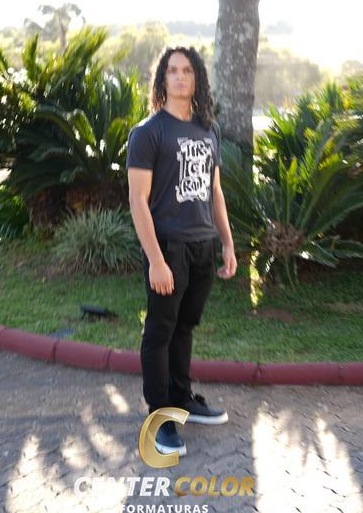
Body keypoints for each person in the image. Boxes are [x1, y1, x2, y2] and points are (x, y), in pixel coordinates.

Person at [126, 46, 237, 456]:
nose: (179, 77)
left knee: (185, 327)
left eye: (187, 70)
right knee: (160, 331)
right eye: (172, 70)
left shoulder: (209, 129)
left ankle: (182, 398)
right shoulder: (148, 132)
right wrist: (156, 260)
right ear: (162, 78)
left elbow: (215, 191)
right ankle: (160, 417)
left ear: (196, 78)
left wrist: (226, 242)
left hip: (202, 245)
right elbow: (138, 201)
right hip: (168, 248)